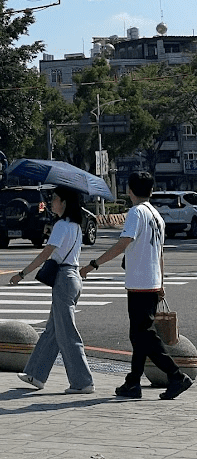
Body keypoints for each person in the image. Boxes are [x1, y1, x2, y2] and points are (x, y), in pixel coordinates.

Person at [81, 171, 193, 401]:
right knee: (138, 335)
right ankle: (132, 382)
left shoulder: (136, 212)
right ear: (151, 191)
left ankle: (176, 375)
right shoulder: (157, 216)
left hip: (140, 283)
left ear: (130, 191)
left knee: (143, 335)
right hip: (151, 282)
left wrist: (93, 264)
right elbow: (160, 253)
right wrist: (161, 281)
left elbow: (123, 243)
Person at [10, 185, 94, 394]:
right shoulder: (74, 225)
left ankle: (83, 382)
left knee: (67, 333)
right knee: (53, 330)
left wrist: (22, 274)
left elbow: (45, 254)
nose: (51, 202)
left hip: (64, 279)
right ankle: (36, 374)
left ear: (64, 202)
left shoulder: (61, 226)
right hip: (72, 278)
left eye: (55, 198)